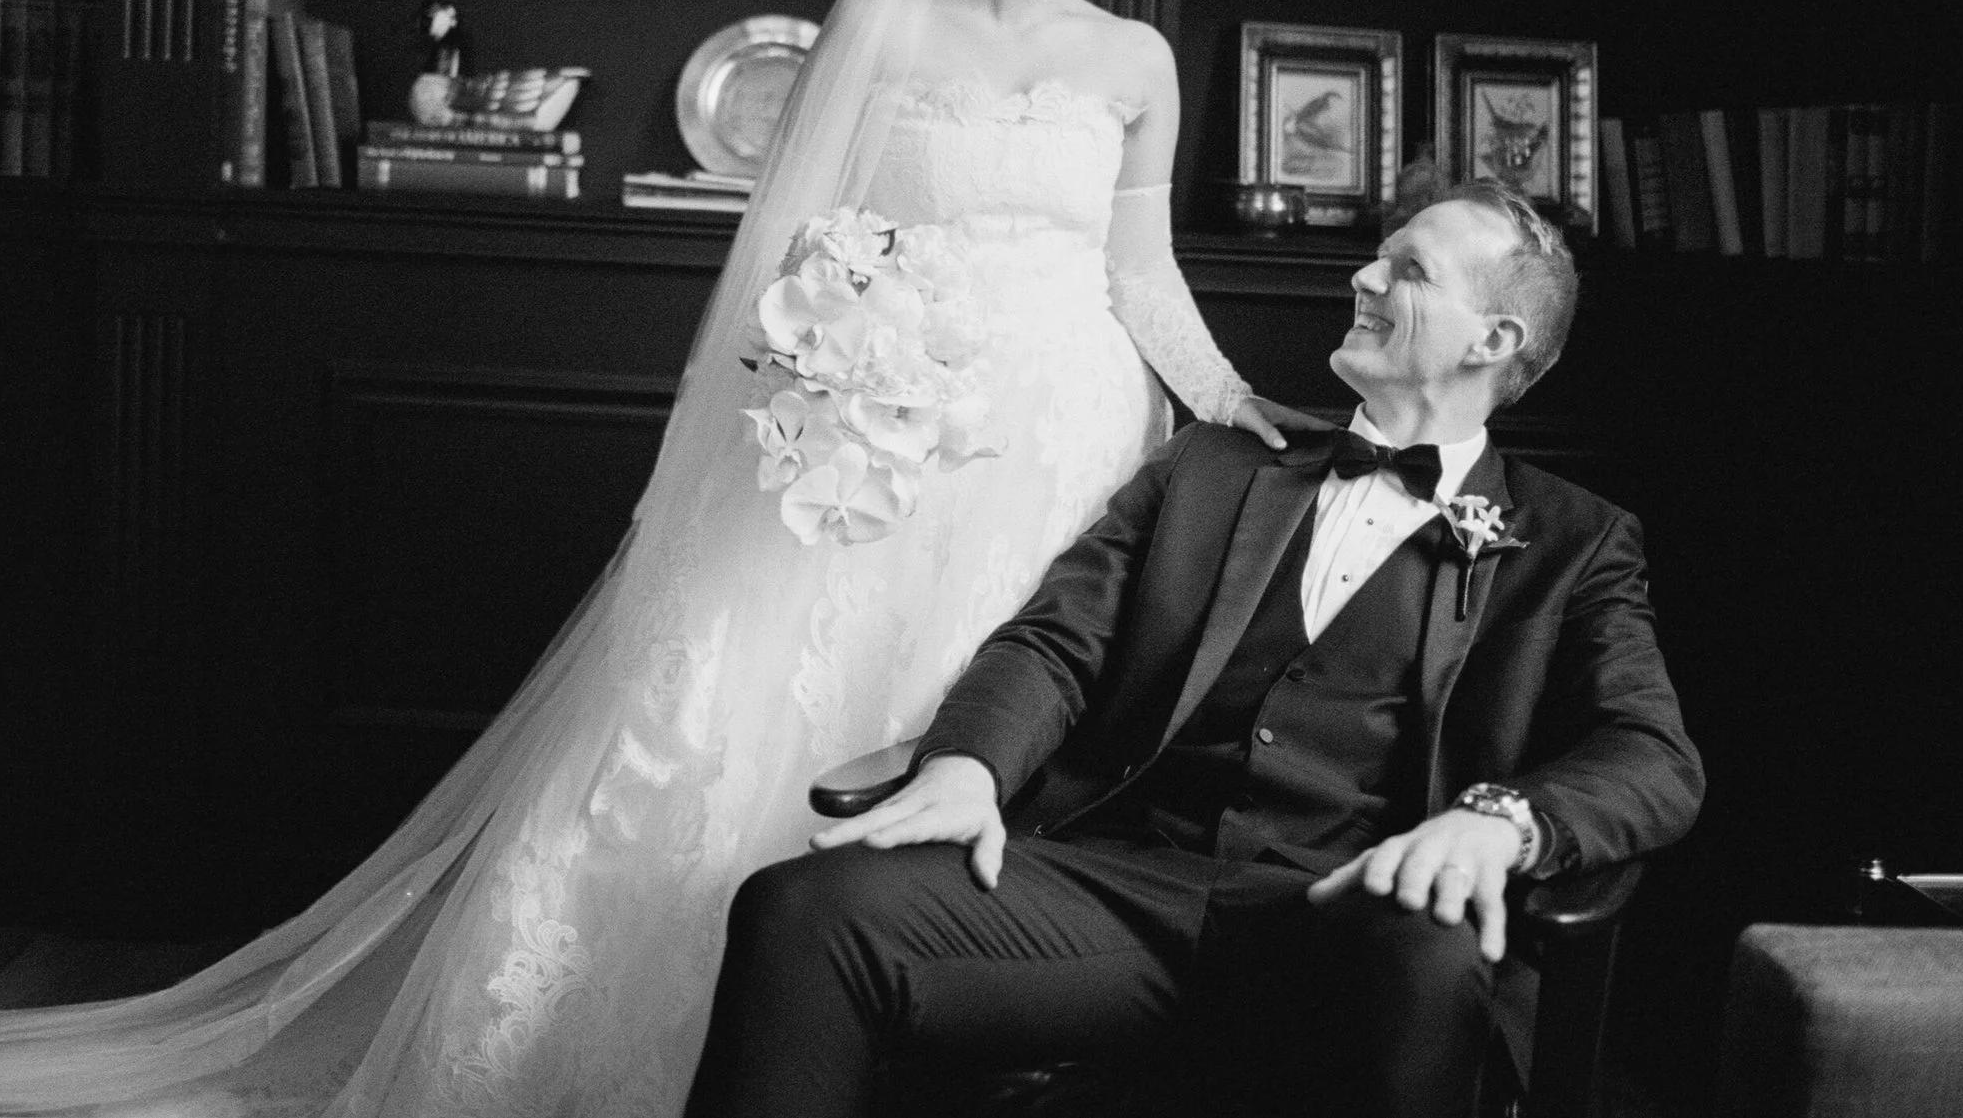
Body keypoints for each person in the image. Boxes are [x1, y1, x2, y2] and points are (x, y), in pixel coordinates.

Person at [0, 0, 1312, 1118]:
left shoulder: (1137, 57)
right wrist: (838, 372)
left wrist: (1232, 398)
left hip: (1055, 445)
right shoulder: (881, 34)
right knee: (761, 725)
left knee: (986, 719)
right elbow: (805, 254)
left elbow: (1140, 271)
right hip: (873, 436)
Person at [684, 181, 1706, 1118]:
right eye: (1376, 255)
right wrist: (966, 765)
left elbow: (1651, 752)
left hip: (1354, 921)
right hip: (1120, 891)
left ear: (1493, 335)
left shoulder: (1575, 539)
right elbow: (1055, 641)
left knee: (1432, 957)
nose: (1361, 275)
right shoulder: (1209, 466)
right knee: (806, 908)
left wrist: (1500, 822)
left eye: (1407, 268)